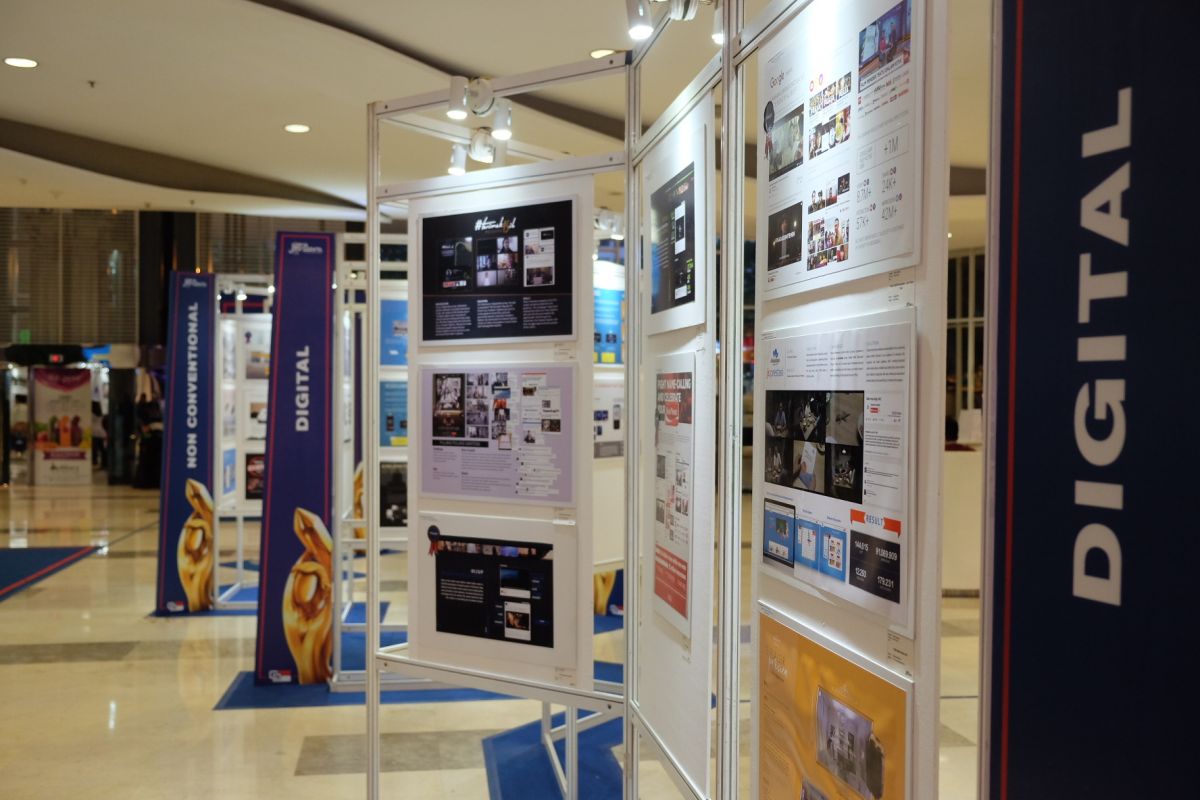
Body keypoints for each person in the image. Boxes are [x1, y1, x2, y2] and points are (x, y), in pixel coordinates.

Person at [92, 400, 108, 470]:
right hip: (101, 432)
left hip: (93, 433)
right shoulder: (101, 414)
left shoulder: (91, 414)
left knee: (94, 449)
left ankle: (95, 462)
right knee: (102, 449)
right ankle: (104, 463)